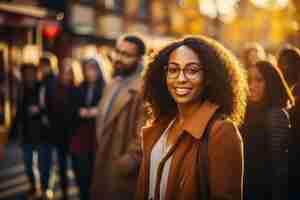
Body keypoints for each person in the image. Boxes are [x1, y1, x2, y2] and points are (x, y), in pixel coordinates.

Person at [136, 36, 247, 200]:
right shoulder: (162, 124)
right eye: (173, 70)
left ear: (209, 77)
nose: (181, 79)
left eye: (192, 70)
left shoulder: (221, 132)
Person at [90, 35, 146, 200]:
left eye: (127, 55)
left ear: (139, 59)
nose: (119, 58)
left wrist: (129, 161)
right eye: (118, 52)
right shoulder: (113, 83)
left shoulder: (143, 89)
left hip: (122, 170)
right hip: (104, 161)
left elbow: (144, 132)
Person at [242, 61, 293, 200]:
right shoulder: (246, 111)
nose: (252, 86)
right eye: (249, 80)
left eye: (259, 80)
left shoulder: (275, 114)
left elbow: (280, 167)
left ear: (270, 83)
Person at [70, 58, 105, 200]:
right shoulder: (80, 87)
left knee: (94, 174)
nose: (90, 73)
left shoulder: (105, 87)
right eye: (87, 69)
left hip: (97, 135)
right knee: (80, 170)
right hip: (80, 134)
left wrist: (97, 111)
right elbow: (71, 109)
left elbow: (107, 110)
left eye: (93, 69)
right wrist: (79, 112)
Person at [44, 60, 78, 200]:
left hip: (74, 134)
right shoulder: (53, 87)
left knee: (77, 167)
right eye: (64, 72)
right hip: (58, 133)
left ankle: (80, 191)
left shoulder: (77, 88)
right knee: (62, 166)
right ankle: (65, 193)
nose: (66, 76)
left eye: (69, 73)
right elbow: (48, 107)